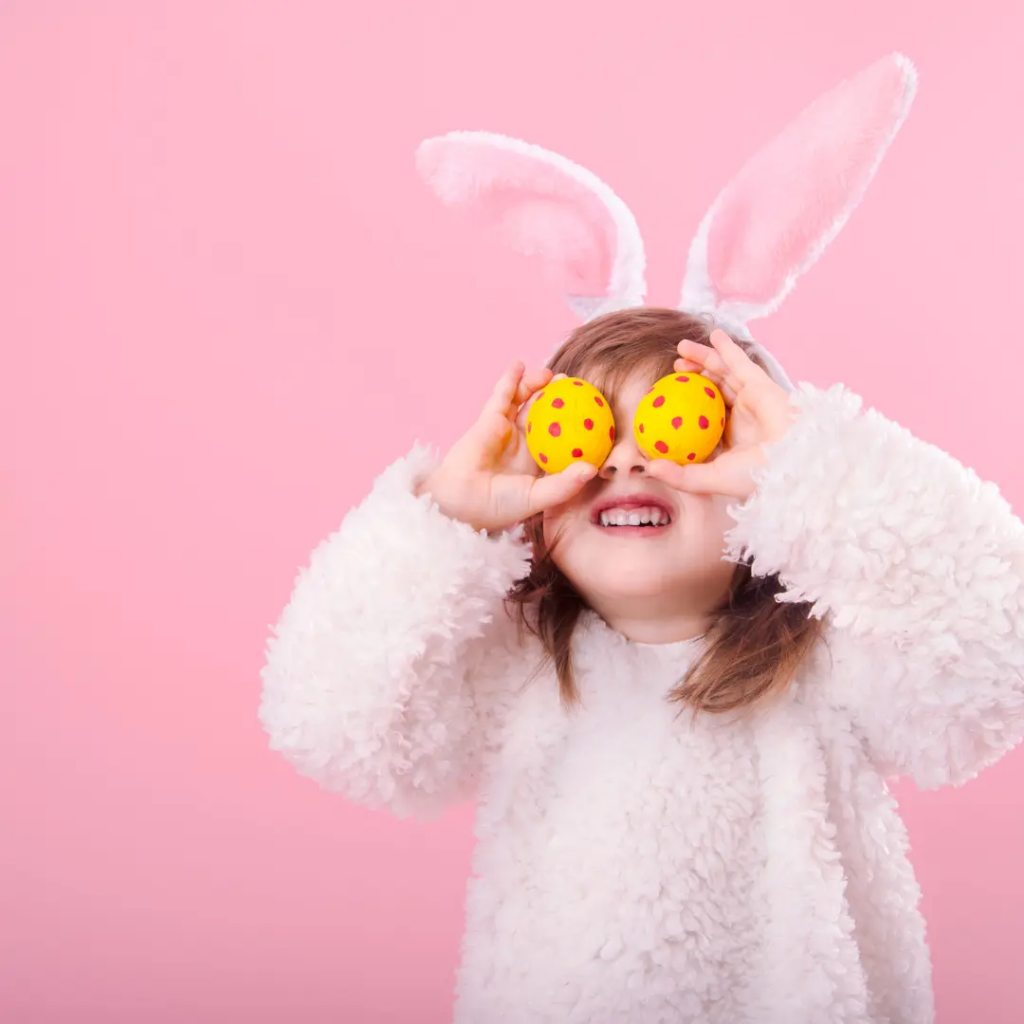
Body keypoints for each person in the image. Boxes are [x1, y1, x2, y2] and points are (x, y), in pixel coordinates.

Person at [259, 56, 1024, 1023]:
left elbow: (999, 644)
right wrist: (442, 522)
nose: (623, 462)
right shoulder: (522, 663)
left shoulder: (833, 662)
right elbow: (329, 724)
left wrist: (816, 470)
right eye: (586, 432)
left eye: (677, 428)